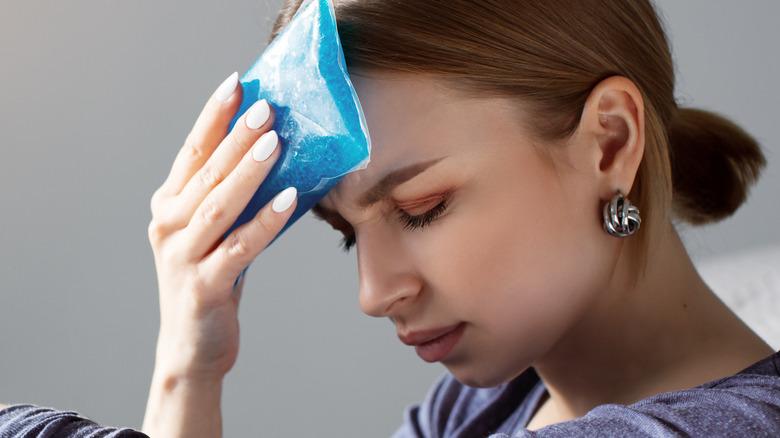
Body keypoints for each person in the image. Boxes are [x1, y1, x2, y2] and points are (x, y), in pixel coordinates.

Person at [1, 0, 778, 436]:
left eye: (421, 209)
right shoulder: (479, 407)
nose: (374, 295)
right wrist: (188, 364)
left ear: (608, 142)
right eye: (345, 235)